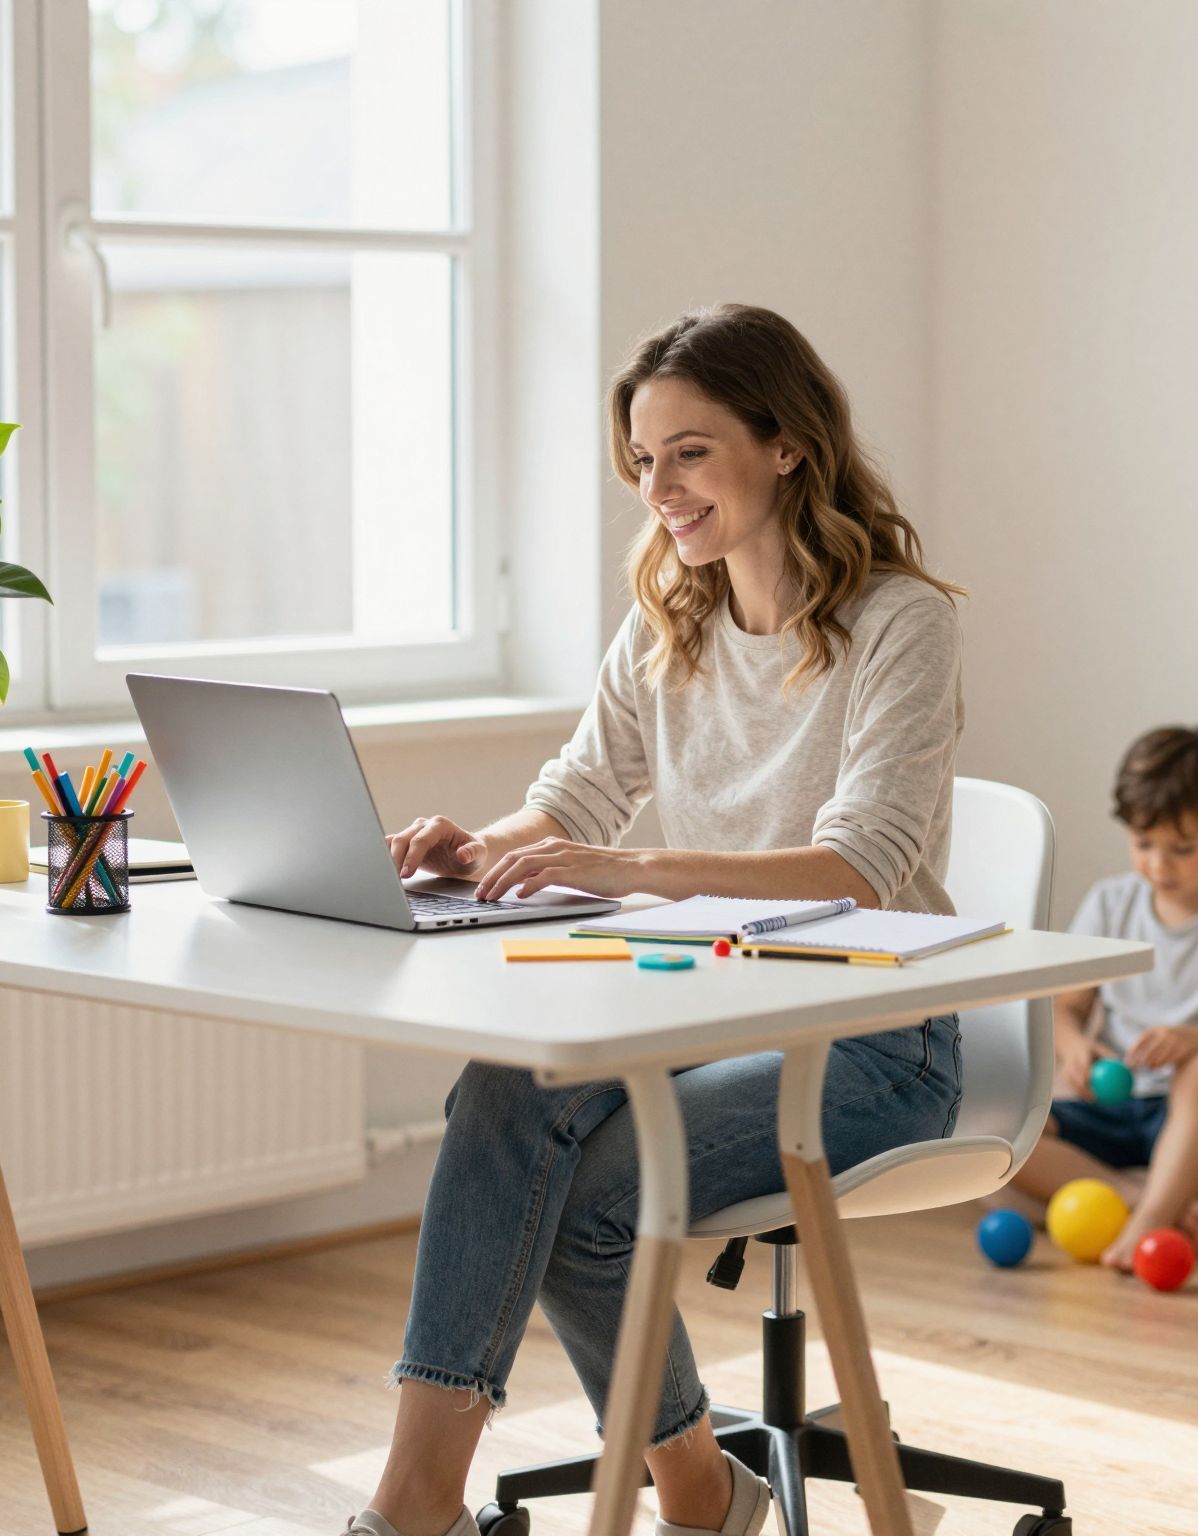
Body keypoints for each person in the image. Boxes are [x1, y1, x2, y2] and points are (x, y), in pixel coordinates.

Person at [349, 304, 970, 1536]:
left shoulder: (900, 621)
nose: (658, 489)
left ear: (785, 443)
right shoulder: (669, 617)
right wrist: (478, 850)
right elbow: (575, 799)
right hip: (704, 1005)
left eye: (689, 452)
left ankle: (679, 1492)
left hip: (871, 1038)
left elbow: (860, 866)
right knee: (505, 1093)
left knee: (575, 1198)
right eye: (642, 459)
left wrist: (623, 866)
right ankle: (440, 1501)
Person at [1012, 724, 1198, 1272]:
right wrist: (1074, 1047)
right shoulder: (1110, 904)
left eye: (1182, 849)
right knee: (1003, 1131)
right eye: (1143, 845)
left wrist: (1194, 1041)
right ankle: (1142, 1200)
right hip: (1116, 1103)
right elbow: (1067, 1007)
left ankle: (1149, 1222)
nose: (1159, 866)